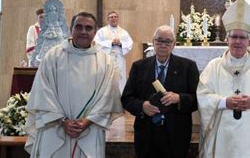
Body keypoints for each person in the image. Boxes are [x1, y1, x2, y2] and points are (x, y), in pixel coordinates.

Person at [25, 12, 124, 157]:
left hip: (90, 129)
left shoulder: (106, 61)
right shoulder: (53, 56)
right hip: (55, 129)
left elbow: (109, 95)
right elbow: (43, 91)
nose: (83, 32)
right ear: (71, 29)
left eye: (88, 28)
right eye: (79, 27)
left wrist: (88, 121)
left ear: (95, 32)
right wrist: (62, 120)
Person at [197, 0, 250, 157]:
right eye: (234, 37)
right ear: (227, 39)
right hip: (221, 132)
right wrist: (223, 102)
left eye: (242, 37)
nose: (237, 41)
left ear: (249, 40)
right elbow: (203, 96)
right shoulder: (213, 67)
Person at [121, 25, 199, 158]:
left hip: (176, 133)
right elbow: (127, 98)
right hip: (146, 132)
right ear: (153, 42)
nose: (163, 45)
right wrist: (142, 106)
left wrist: (179, 98)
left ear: (174, 44)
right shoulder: (139, 66)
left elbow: (198, 99)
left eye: (167, 41)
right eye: (159, 40)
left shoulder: (188, 67)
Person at [94, 11, 134, 93]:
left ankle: (119, 98)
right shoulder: (102, 31)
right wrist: (110, 43)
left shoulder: (124, 32)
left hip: (119, 59)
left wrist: (120, 44)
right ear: (107, 20)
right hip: (106, 58)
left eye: (115, 17)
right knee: (106, 77)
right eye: (111, 17)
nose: (113, 18)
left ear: (118, 19)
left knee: (120, 79)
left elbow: (130, 44)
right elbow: (96, 43)